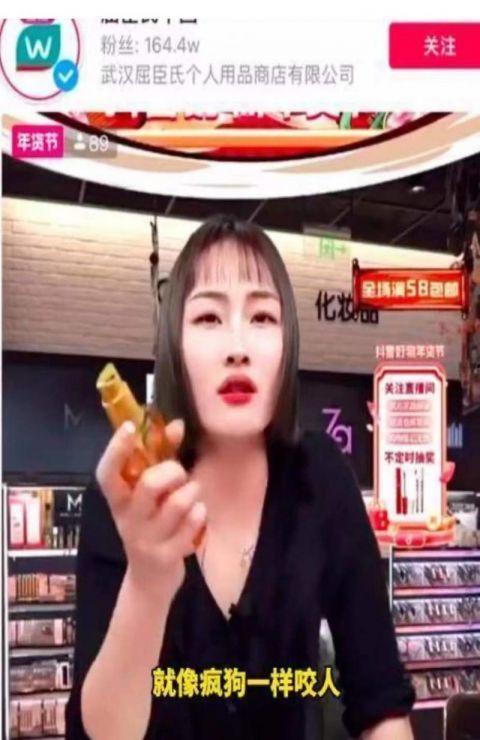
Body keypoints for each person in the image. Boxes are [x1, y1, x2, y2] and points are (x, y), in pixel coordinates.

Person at [65, 214, 415, 740]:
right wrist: (147, 582)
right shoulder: (130, 495)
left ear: (287, 344)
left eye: (262, 317)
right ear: (174, 344)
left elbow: (381, 704)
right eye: (208, 317)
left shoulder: (320, 478)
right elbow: (101, 733)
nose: (238, 346)